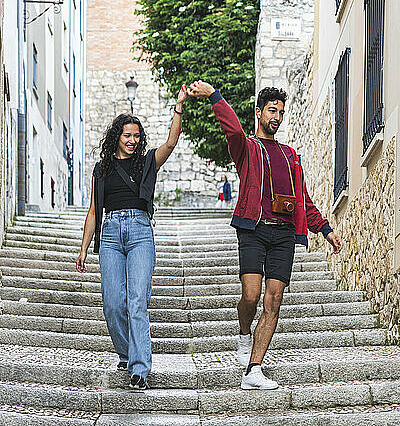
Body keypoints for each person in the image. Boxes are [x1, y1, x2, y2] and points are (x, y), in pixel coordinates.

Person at [188, 81, 343, 391]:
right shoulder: (246, 148)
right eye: (272, 110)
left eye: (281, 112)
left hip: (285, 234)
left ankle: (253, 369)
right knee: (250, 295)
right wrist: (214, 96)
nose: (277, 116)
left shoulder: (290, 155)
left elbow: (303, 200)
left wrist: (324, 229)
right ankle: (244, 333)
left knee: (273, 300)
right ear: (258, 112)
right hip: (253, 229)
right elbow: (231, 130)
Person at [76, 85, 189, 391]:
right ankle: (127, 354)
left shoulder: (147, 161)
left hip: (140, 233)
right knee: (113, 304)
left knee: (136, 302)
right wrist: (84, 248)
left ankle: (140, 368)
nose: (132, 140)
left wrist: (178, 107)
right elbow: (93, 211)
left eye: (136, 136)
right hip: (110, 235)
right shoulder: (101, 170)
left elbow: (171, 142)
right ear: (117, 136)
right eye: (127, 135)